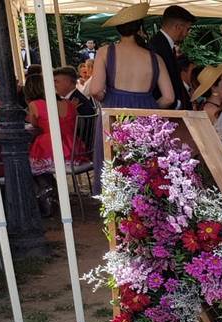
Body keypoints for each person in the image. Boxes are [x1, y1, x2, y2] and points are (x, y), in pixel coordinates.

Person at [89, 3, 175, 193]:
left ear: (119, 29)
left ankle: (115, 212)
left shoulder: (105, 52)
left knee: (113, 165)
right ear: (140, 28)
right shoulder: (154, 58)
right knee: (145, 167)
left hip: (114, 113)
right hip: (146, 114)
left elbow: (95, 89)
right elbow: (169, 98)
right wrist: (150, 106)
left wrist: (107, 97)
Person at [24, 74, 80, 216]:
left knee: (25, 165)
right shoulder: (67, 103)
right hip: (75, 150)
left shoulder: (35, 105)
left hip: (53, 150)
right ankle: (49, 190)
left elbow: (34, 126)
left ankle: (45, 193)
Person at [149, 5, 196, 109]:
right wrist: (176, 104)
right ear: (178, 27)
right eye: (187, 29)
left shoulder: (163, 45)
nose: (187, 34)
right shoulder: (157, 46)